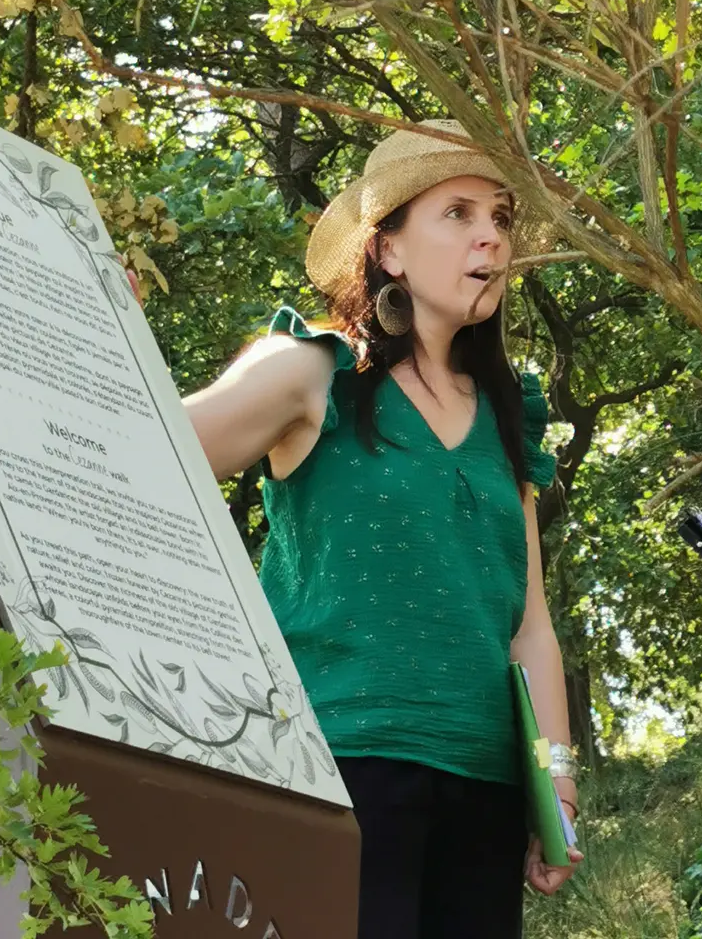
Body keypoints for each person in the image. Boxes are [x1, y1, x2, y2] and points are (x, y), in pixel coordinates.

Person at [179, 120, 582, 938]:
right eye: (459, 213)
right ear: (388, 249)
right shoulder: (310, 372)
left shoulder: (512, 418)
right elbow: (152, 452)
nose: (492, 238)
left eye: (501, 218)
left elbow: (530, 627)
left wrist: (558, 783)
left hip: (488, 789)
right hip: (340, 765)